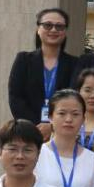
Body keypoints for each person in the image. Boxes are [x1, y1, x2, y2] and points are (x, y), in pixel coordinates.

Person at [7, 7, 78, 138]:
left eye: (59, 26)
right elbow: (15, 97)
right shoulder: (24, 60)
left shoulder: (75, 64)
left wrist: (52, 126)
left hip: (62, 132)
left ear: (65, 32)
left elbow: (75, 100)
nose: (53, 30)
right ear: (38, 30)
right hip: (28, 132)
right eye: (47, 25)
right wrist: (36, 126)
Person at [35, 89, 94, 187]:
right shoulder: (37, 155)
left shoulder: (93, 159)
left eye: (75, 114)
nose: (69, 119)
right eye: (62, 113)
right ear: (50, 117)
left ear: (83, 119)